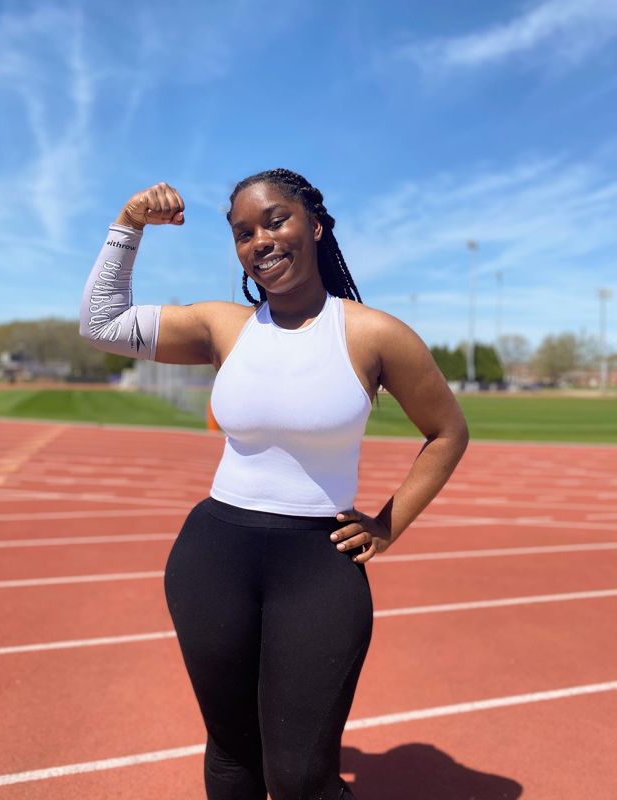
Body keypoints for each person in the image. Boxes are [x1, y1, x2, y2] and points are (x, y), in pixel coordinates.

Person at [79, 169, 469, 800]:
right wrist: (129, 225)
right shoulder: (224, 327)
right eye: (242, 232)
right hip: (213, 557)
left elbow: (448, 432)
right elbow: (102, 323)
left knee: (301, 776)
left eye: (275, 220)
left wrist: (387, 525)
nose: (259, 240)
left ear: (314, 226)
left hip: (318, 566)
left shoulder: (373, 333)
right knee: (233, 755)